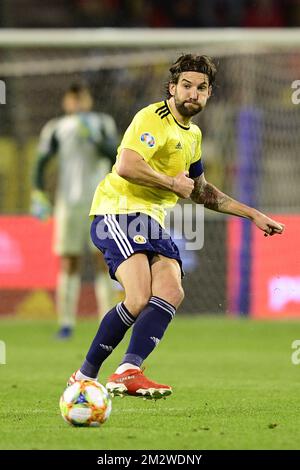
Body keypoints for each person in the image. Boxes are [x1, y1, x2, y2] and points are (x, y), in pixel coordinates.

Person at [68, 55, 284, 398]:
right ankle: (84, 375)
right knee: (138, 297)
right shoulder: (152, 118)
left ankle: (128, 370)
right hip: (118, 211)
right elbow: (126, 165)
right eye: (186, 86)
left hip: (149, 220)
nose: (192, 94)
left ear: (209, 94)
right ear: (172, 88)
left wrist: (252, 213)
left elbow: (201, 192)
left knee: (171, 291)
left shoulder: (193, 136)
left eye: (201, 88)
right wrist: (170, 182)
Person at [31, 83, 119, 338]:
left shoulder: (103, 123)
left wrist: (95, 138)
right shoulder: (56, 128)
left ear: (89, 100)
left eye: (82, 98)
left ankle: (108, 322)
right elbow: (40, 163)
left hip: (101, 202)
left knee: (105, 260)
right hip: (68, 202)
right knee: (69, 260)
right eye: (73, 99)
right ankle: (66, 323)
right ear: (66, 102)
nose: (78, 103)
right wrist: (38, 192)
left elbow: (117, 155)